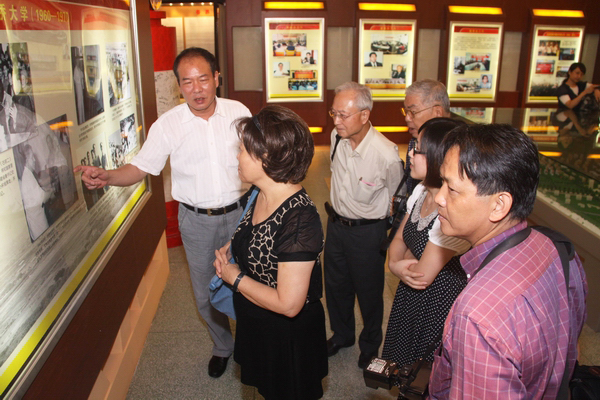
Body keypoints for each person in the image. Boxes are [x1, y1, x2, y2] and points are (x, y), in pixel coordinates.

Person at [74, 47, 251, 378]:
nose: (197, 89)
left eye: (203, 79)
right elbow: (141, 167)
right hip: (196, 220)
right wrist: (107, 176)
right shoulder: (168, 124)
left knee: (250, 282)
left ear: (217, 78)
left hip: (242, 214)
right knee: (205, 292)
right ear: (178, 86)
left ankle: (253, 343)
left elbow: (258, 156)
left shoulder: (238, 112)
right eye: (187, 82)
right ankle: (223, 346)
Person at [428, 124, 588, 398]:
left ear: (499, 205)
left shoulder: (477, 316)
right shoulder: (557, 248)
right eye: (441, 182)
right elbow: (570, 338)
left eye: (452, 189)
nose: (439, 197)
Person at [214, 105, 327, 399]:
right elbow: (256, 238)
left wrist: (234, 278)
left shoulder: (299, 219)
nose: (237, 156)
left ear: (265, 157)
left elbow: (289, 304)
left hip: (287, 337)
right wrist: (232, 249)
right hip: (258, 322)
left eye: (241, 150)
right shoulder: (260, 192)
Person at [381, 118, 470, 374]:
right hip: (411, 294)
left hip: (436, 305)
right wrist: (396, 265)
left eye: (417, 149)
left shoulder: (449, 211)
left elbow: (422, 275)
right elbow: (399, 240)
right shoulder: (421, 190)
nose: (410, 154)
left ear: (439, 157)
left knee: (424, 374)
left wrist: (397, 265)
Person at [324, 82, 403, 369]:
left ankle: (370, 345)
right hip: (335, 225)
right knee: (335, 287)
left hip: (367, 232)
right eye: (334, 113)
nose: (336, 121)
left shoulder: (386, 154)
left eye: (343, 115)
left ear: (365, 115)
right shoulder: (337, 137)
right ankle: (342, 334)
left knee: (369, 293)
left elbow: (397, 196)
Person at [402, 80, 450, 196]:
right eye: (406, 112)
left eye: (413, 112)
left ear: (437, 112)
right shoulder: (414, 141)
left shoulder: (457, 147)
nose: (407, 118)